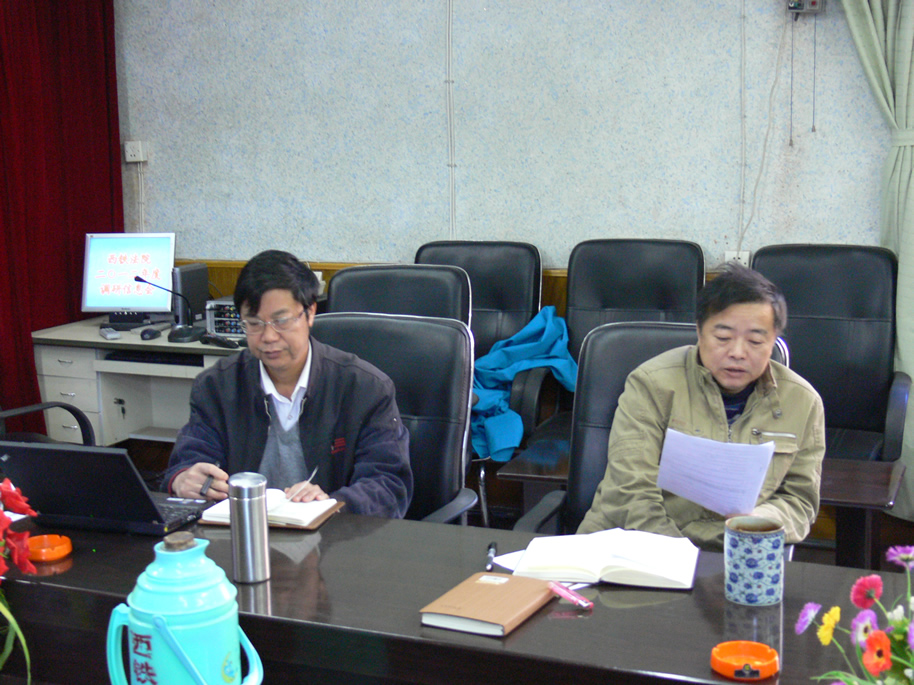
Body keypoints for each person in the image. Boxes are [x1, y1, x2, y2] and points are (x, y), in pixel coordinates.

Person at [577, 263, 825, 550]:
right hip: (634, 544)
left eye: (756, 341)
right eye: (723, 338)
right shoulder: (651, 384)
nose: (737, 353)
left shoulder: (802, 402)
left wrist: (761, 520)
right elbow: (630, 491)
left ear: (773, 342)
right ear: (699, 331)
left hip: (734, 550)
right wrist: (679, 555)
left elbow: (800, 500)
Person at [163, 250, 413, 518]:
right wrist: (183, 479)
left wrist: (332, 504)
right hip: (241, 531)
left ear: (310, 313)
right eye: (254, 323)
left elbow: (388, 485)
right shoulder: (216, 386)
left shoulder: (365, 388)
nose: (269, 336)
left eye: (281, 321)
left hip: (335, 535)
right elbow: (188, 463)